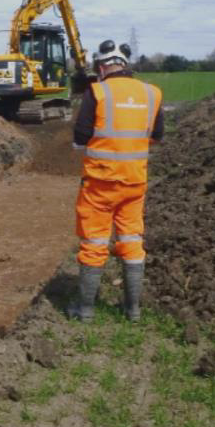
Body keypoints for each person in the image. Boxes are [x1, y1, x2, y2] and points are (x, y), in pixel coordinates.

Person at [68, 39, 163, 322]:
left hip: (100, 184)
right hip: (135, 183)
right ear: (125, 65)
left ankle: (85, 310)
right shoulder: (152, 93)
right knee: (132, 241)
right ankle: (132, 310)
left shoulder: (97, 91)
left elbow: (80, 137)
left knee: (94, 243)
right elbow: (157, 136)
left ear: (102, 66)